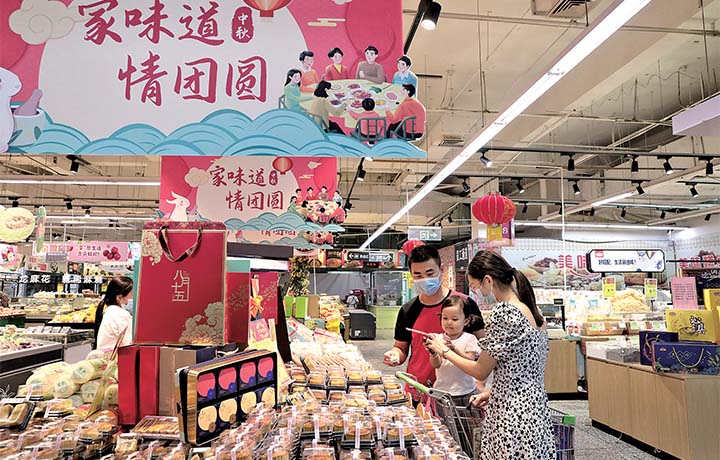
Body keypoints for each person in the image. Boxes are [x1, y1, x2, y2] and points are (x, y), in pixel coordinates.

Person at [426, 250, 555, 459]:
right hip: (535, 408)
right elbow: (522, 367)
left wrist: (444, 350)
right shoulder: (532, 311)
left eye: (475, 286)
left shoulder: (504, 312)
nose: (475, 292)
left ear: (488, 280)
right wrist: (493, 393)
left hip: (512, 415)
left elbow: (480, 370)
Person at [384, 245, 484, 402]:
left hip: (459, 393)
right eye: (418, 275)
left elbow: (484, 347)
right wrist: (394, 354)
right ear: (411, 274)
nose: (425, 279)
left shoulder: (465, 304)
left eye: (430, 273)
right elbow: (401, 348)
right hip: (418, 390)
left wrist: (480, 384)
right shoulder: (408, 310)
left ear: (441, 269)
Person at [425, 295, 483, 406]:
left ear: (466, 321)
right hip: (442, 392)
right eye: (445, 318)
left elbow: (470, 361)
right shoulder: (438, 338)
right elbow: (436, 365)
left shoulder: (469, 338)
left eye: (454, 319)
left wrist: (453, 349)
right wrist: (433, 352)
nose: (449, 322)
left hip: (465, 392)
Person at [95, 276, 134, 351]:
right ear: (119, 298)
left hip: (105, 356)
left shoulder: (110, 311)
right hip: (116, 357)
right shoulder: (121, 315)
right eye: (132, 293)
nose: (133, 297)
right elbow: (129, 343)